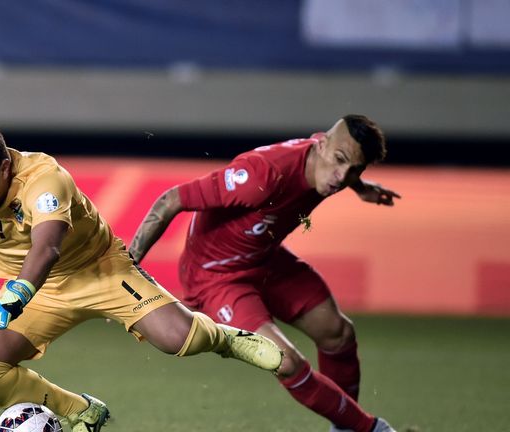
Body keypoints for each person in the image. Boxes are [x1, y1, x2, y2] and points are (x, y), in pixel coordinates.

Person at [0, 118, 283, 432]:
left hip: (98, 270)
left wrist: (9, 299)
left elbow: (45, 249)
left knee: (178, 340)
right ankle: (82, 411)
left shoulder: (45, 178)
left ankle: (228, 339)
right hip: (37, 292)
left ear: (4, 166)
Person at [128, 115, 400, 432]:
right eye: (340, 162)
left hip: (263, 259)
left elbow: (345, 163)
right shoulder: (263, 174)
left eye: (355, 170)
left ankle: (344, 428)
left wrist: (361, 187)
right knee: (284, 360)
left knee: (337, 332)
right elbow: (170, 199)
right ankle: (370, 429)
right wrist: (128, 266)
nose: (342, 177)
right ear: (322, 144)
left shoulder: (331, 163)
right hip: (216, 276)